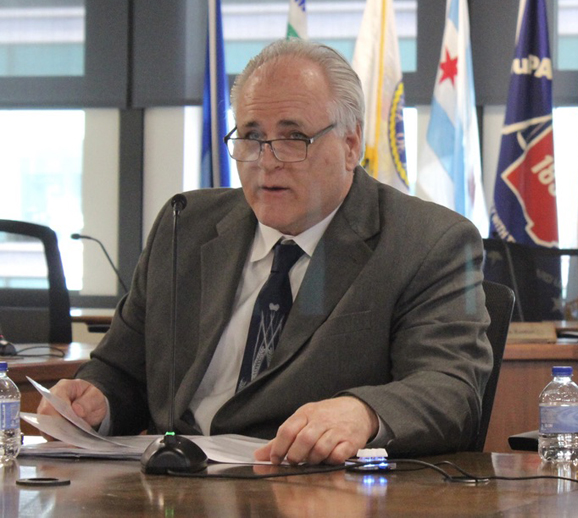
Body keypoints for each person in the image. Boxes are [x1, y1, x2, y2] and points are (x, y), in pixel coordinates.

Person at [38, 39, 492, 465]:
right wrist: (97, 400)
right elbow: (122, 370)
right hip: (171, 488)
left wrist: (364, 412)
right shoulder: (185, 225)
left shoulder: (426, 241)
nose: (266, 160)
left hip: (309, 489)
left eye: (293, 138)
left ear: (351, 144)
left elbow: (451, 390)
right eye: (251, 137)